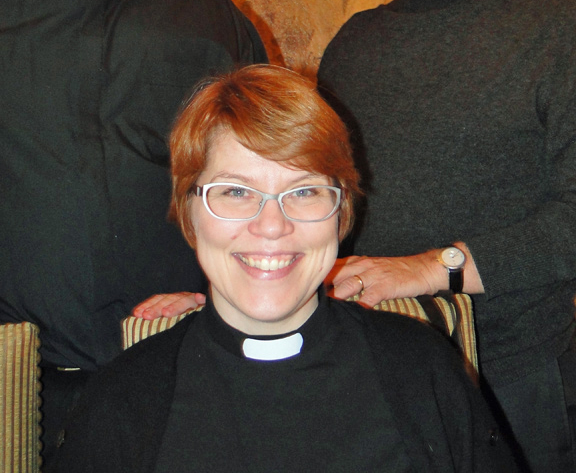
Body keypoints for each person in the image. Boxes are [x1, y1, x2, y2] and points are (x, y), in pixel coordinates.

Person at [49, 64, 516, 473]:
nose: (272, 227)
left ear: (341, 212)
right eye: (235, 192)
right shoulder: (122, 398)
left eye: (304, 191)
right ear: (189, 210)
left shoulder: (420, 367)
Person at [0, 0, 266, 461]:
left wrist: (226, 292)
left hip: (174, 387)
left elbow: (276, 188)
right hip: (6, 391)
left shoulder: (210, 18)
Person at [316, 0, 576, 472]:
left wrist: (439, 267)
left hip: (517, 385)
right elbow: (323, 213)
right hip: (376, 375)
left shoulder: (558, 30)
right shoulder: (352, 47)